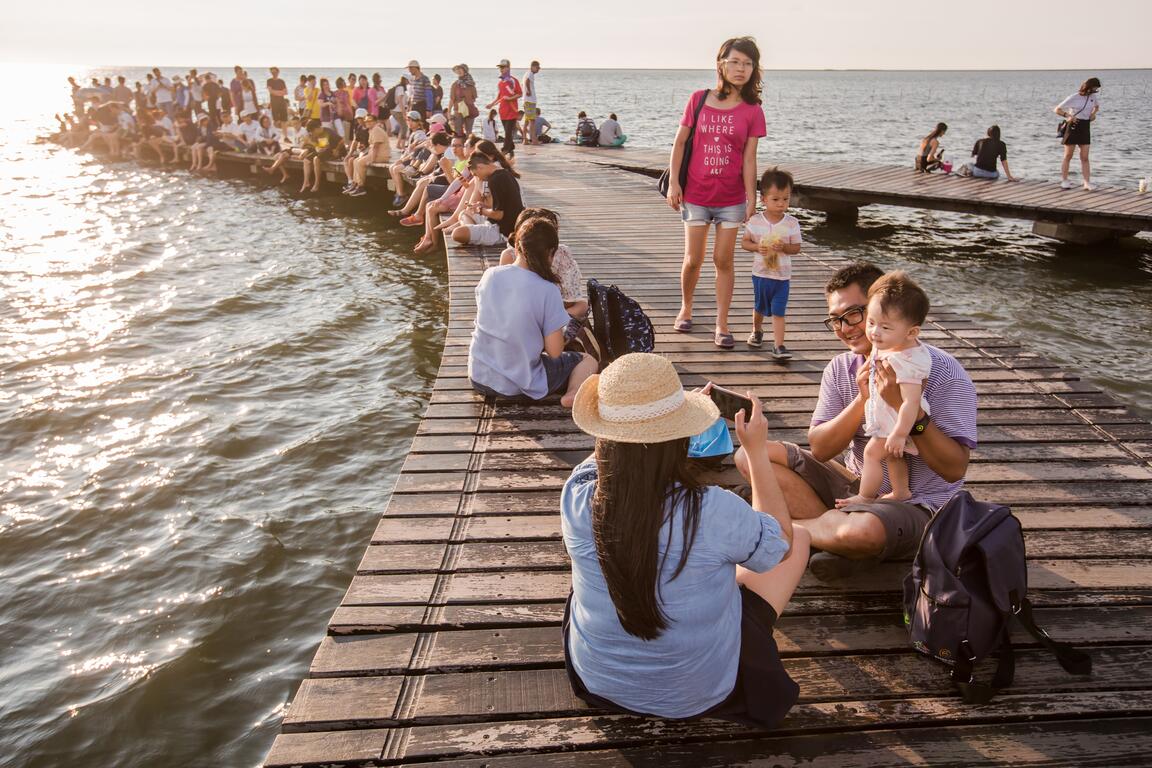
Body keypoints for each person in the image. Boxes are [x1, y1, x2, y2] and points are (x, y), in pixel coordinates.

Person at [562, 352, 807, 726]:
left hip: (598, 682)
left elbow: (615, 457)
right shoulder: (713, 511)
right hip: (697, 693)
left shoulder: (577, 496)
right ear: (681, 436)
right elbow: (781, 544)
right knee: (799, 538)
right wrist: (756, 452)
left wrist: (656, 417)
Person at [732, 262, 977, 582]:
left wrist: (911, 413)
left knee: (861, 532)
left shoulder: (941, 370)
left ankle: (781, 530)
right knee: (750, 454)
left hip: (917, 504)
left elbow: (954, 468)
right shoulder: (841, 368)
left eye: (854, 314)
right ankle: (837, 541)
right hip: (858, 485)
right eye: (836, 320)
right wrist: (863, 400)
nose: (846, 328)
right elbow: (820, 448)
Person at [667, 37, 766, 350]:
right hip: (695, 194)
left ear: (754, 68)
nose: (741, 69)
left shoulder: (752, 110)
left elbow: (750, 158)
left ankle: (722, 324)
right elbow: (680, 143)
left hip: (731, 198)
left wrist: (752, 197)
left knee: (723, 259)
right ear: (721, 63)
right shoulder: (699, 99)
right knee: (693, 260)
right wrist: (674, 184)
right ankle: (686, 307)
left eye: (747, 63)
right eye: (735, 62)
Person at [467, 217, 597, 407]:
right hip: (515, 385)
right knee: (587, 361)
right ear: (550, 253)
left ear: (517, 247)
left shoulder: (491, 275)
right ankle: (573, 393)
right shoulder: (547, 290)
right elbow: (554, 352)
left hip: (479, 375)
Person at [835, 272, 932, 508]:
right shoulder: (894, 344)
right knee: (892, 457)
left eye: (885, 327)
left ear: (912, 332)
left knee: (871, 453)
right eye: (871, 322)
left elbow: (911, 402)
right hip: (894, 420)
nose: (875, 332)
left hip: (899, 422)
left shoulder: (908, 362)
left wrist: (899, 434)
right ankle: (901, 491)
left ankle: (865, 496)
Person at [742, 167, 801, 358]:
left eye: (785, 199)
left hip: (782, 277)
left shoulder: (791, 223)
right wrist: (756, 247)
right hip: (761, 274)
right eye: (775, 199)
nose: (781, 204)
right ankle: (757, 331)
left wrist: (784, 247)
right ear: (763, 199)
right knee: (759, 306)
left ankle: (779, 345)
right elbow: (745, 242)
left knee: (778, 311)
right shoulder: (755, 221)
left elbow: (796, 248)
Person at [498, 208, 588, 327]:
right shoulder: (509, 255)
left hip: (549, 308)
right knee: (581, 306)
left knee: (582, 305)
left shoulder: (561, 253)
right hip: (531, 314)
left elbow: (569, 297)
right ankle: (553, 321)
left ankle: (552, 320)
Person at [451, 151, 523, 247]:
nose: (478, 178)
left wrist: (480, 210)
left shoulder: (494, 180)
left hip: (502, 231)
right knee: (464, 213)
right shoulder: (504, 173)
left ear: (480, 167)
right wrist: (483, 206)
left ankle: (477, 233)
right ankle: (476, 232)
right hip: (506, 223)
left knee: (457, 234)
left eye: (475, 174)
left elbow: (498, 215)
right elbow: (502, 206)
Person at [1055, 77, 1101, 191]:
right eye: (1094, 88)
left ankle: (1087, 182)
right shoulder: (1074, 97)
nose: (1095, 91)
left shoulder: (1093, 97)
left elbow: (1097, 107)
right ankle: (1064, 181)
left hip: (1085, 126)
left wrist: (1093, 114)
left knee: (1085, 157)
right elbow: (1057, 109)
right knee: (1068, 155)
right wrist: (1068, 116)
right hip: (1073, 126)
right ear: (1088, 87)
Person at [346, 113, 391, 197]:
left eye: (370, 121)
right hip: (375, 154)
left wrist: (372, 160)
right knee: (355, 161)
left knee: (359, 162)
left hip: (381, 156)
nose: (368, 123)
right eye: (366, 121)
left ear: (375, 121)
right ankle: (355, 184)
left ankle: (361, 186)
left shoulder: (376, 130)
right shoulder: (372, 130)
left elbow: (375, 147)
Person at [300, 118, 346, 194]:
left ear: (316, 129)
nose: (312, 134)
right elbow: (320, 145)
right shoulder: (316, 134)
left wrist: (337, 149)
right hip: (326, 150)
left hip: (335, 151)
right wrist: (315, 147)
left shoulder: (328, 131)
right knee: (306, 160)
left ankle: (317, 184)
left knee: (316, 159)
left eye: (312, 132)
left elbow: (342, 141)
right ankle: (306, 182)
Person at [488, 59, 522, 156]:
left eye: (503, 67)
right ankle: (511, 148)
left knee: (508, 132)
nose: (501, 69)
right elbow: (500, 96)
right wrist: (492, 104)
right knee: (507, 132)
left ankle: (505, 149)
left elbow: (520, 94)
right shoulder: (501, 82)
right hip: (503, 110)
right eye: (500, 67)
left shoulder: (513, 81)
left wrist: (510, 98)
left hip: (512, 110)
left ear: (508, 68)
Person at [449, 64, 479, 135]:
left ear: (465, 70)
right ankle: (459, 145)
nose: (458, 71)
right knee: (458, 131)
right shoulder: (455, 84)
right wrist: (449, 112)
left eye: (460, 69)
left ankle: (468, 145)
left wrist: (466, 103)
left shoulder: (471, 84)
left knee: (469, 131)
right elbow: (452, 99)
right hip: (458, 110)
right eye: (457, 70)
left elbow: (474, 98)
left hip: (469, 110)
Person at [522, 60, 541, 145]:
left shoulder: (527, 73)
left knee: (526, 121)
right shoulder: (530, 73)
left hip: (527, 100)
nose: (538, 69)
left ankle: (525, 140)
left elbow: (524, 83)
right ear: (533, 66)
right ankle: (534, 140)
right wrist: (529, 91)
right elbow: (527, 82)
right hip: (530, 100)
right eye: (537, 67)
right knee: (532, 121)